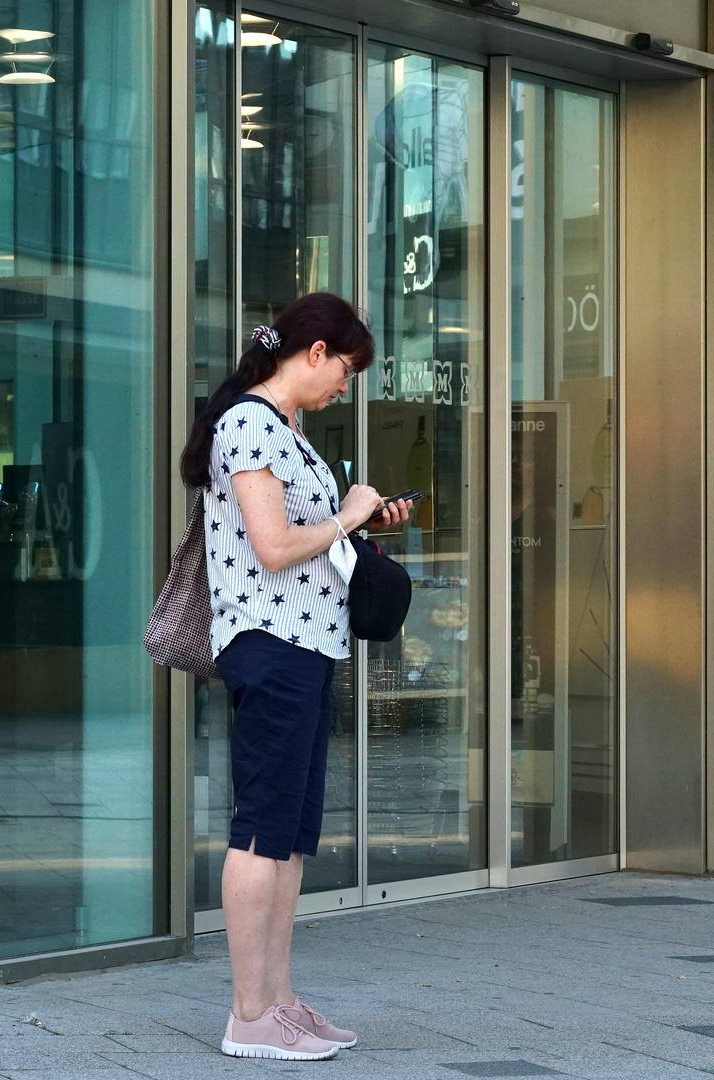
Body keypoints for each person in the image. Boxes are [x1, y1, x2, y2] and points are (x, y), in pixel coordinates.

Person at [179, 292, 414, 1062]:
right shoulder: (248, 423)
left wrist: (360, 520)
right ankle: (250, 1014)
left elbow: (301, 539)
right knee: (260, 829)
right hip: (271, 643)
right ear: (314, 353)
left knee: (287, 833)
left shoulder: (284, 429)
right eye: (345, 370)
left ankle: (278, 1000)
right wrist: (349, 515)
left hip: (307, 643)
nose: (346, 386)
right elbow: (274, 548)